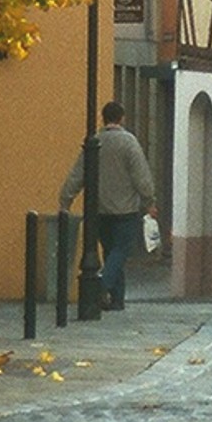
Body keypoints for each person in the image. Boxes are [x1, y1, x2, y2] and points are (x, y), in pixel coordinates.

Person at [58, 101, 158, 310]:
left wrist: (66, 200)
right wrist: (149, 201)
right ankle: (101, 285)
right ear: (121, 118)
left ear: (104, 118)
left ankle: (117, 300)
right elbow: (141, 176)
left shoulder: (95, 142)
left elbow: (78, 174)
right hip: (125, 209)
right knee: (120, 251)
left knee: (110, 251)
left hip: (99, 209)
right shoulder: (129, 143)